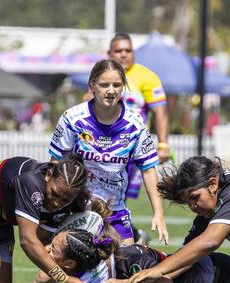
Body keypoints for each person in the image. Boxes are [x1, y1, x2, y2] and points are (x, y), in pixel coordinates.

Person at [49, 59, 168, 246]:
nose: (111, 90)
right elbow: (56, 162)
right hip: (75, 206)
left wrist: (159, 213)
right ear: (92, 86)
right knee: (59, 265)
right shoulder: (72, 119)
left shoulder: (135, 124)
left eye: (117, 85)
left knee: (125, 263)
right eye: (104, 84)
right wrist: (52, 205)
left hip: (114, 209)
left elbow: (149, 169)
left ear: (124, 87)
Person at [107, 32, 171, 244]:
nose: (124, 55)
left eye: (128, 50)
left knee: (117, 197)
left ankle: (124, 238)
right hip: (101, 148)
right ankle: (132, 235)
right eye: (118, 51)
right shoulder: (102, 74)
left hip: (131, 151)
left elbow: (160, 112)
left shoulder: (147, 77)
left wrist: (162, 144)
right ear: (109, 53)